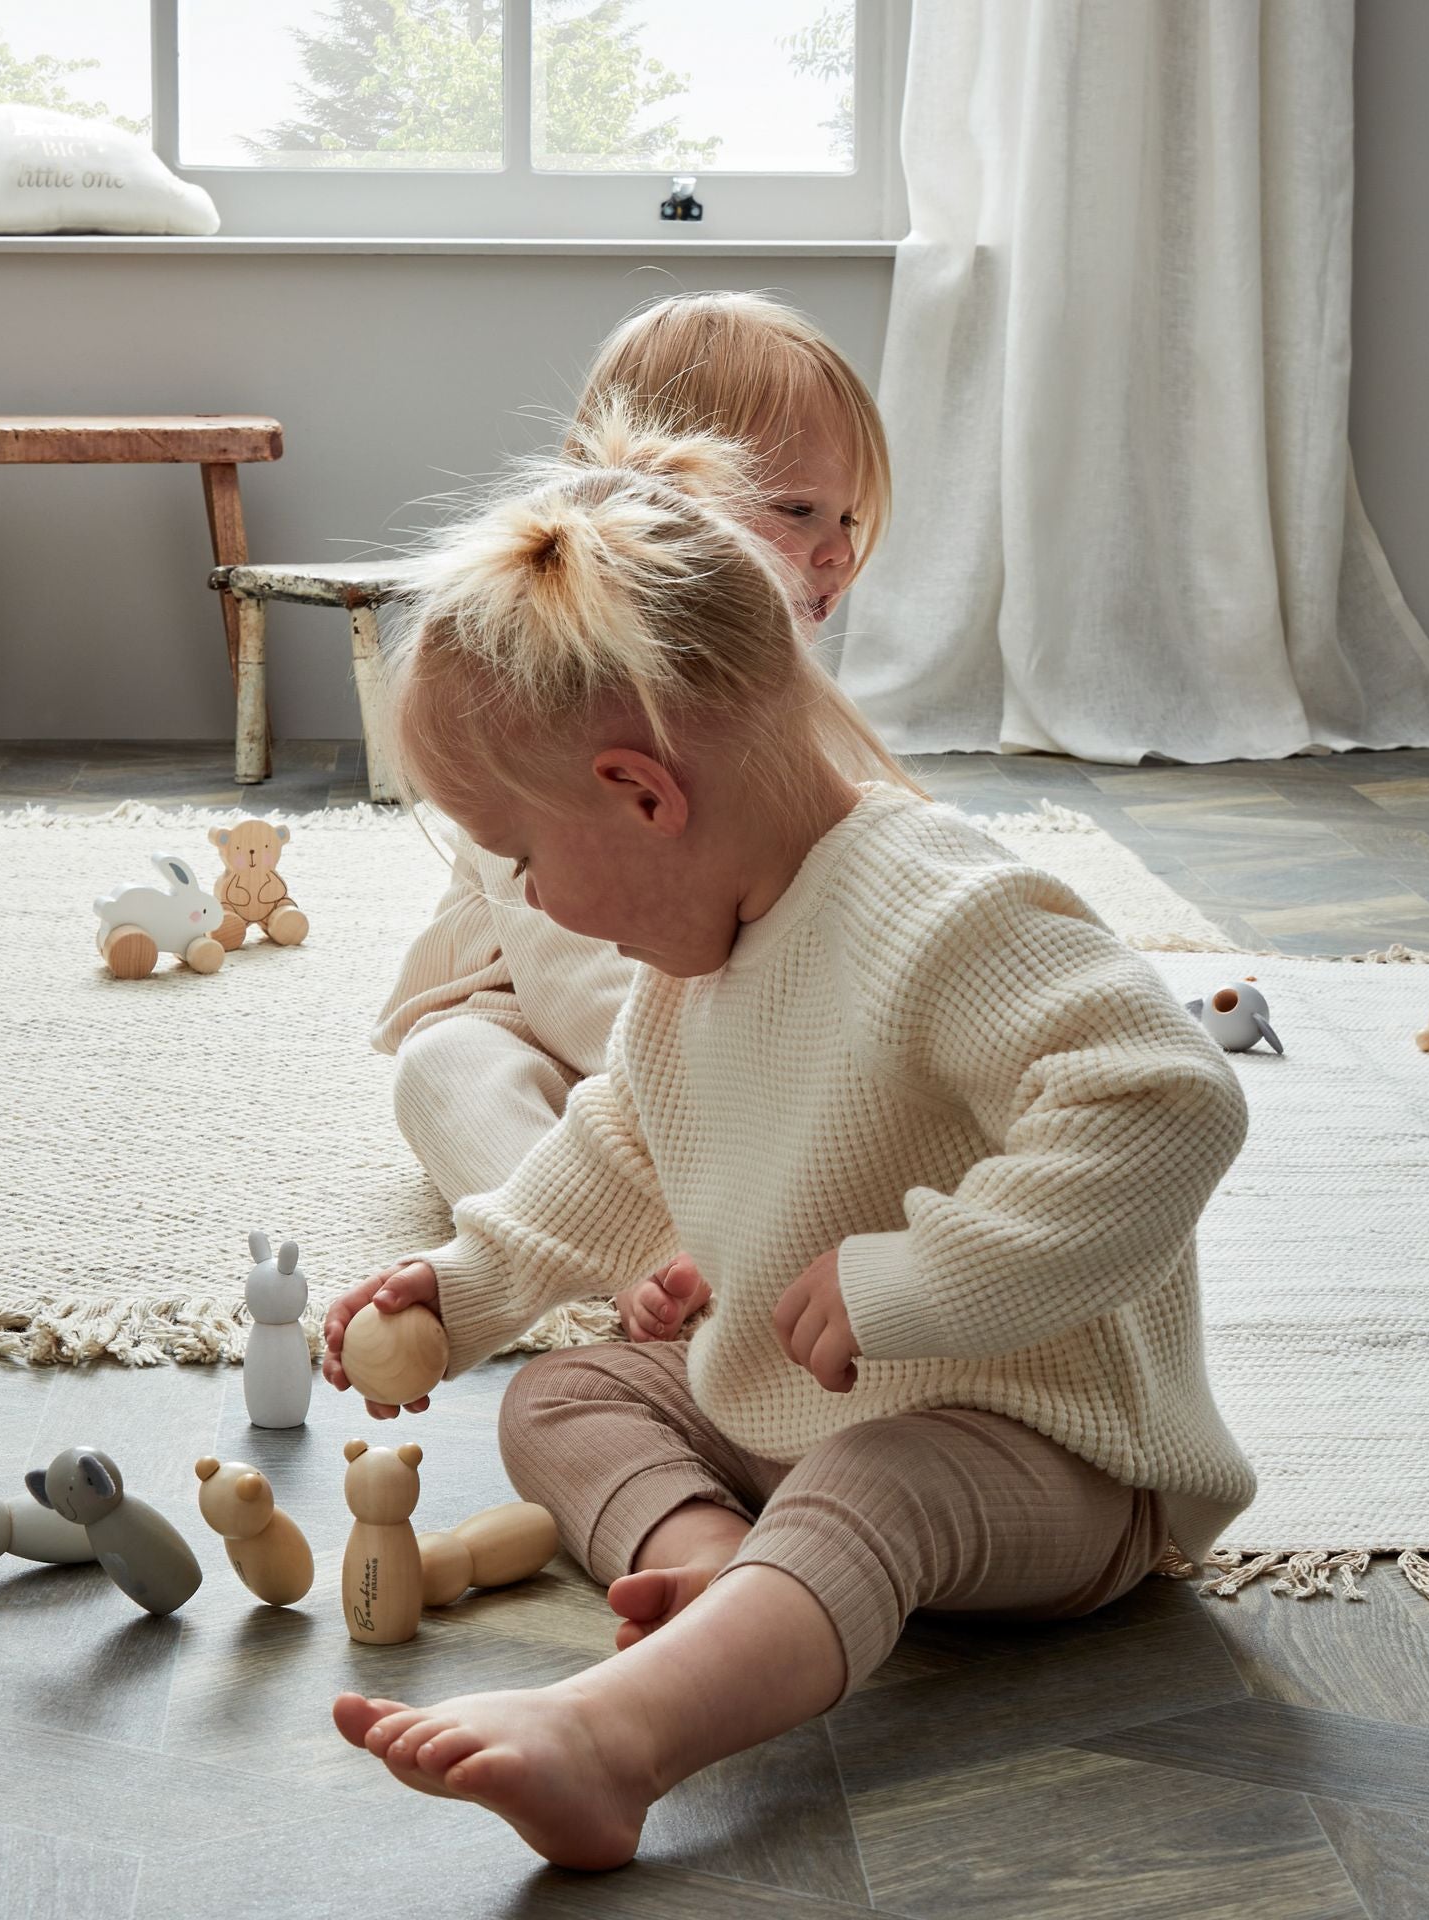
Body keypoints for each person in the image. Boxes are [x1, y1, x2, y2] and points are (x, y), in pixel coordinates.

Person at [321, 428, 1255, 1871]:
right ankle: (715, 1583)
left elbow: (1165, 1103)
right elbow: (619, 1147)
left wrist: (923, 1276)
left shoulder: (937, 907)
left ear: (642, 794)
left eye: (518, 859)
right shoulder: (700, 959)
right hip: (803, 1408)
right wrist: (464, 1288)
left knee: (875, 1486)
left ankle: (619, 1739)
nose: (528, 900)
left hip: (1046, 1447)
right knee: (564, 1400)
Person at [374, 291, 900, 1345]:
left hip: (732, 1043)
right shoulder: (533, 709)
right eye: (799, 512)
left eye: (848, 518)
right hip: (569, 1025)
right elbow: (571, 967)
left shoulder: (795, 723)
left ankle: (712, 1219)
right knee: (445, 1071)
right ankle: (632, 1266)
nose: (837, 549)